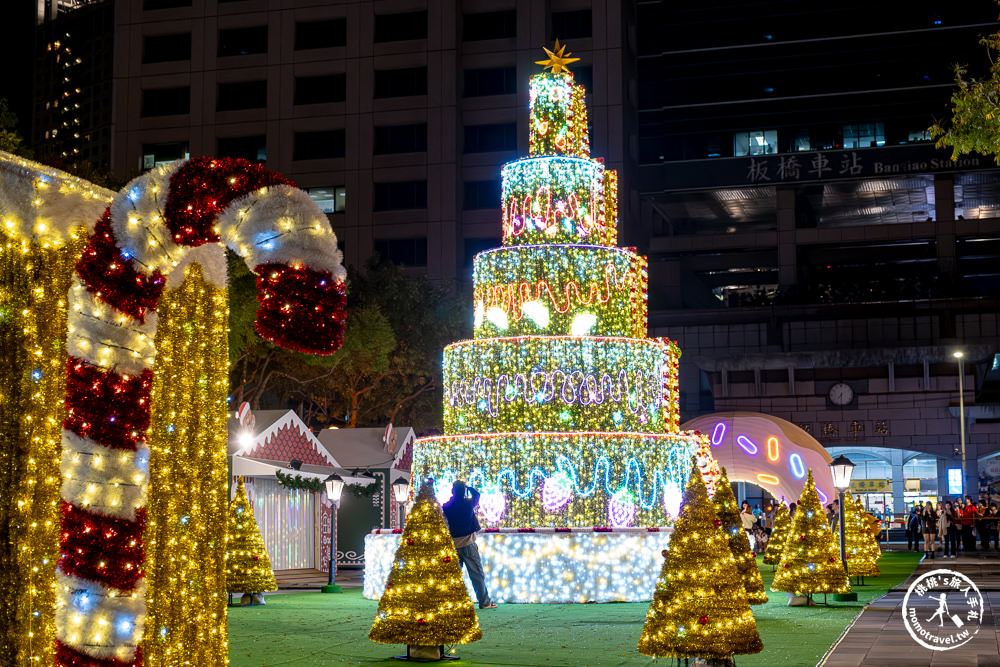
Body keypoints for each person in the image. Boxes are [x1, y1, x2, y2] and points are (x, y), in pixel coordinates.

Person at [441, 480, 496, 609]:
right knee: (477, 575)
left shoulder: (446, 507)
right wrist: (469, 488)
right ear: (463, 491)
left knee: (453, 577)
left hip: (453, 546)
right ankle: (484, 602)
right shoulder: (468, 503)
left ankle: (451, 604)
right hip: (469, 544)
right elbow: (477, 495)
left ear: (452, 491)